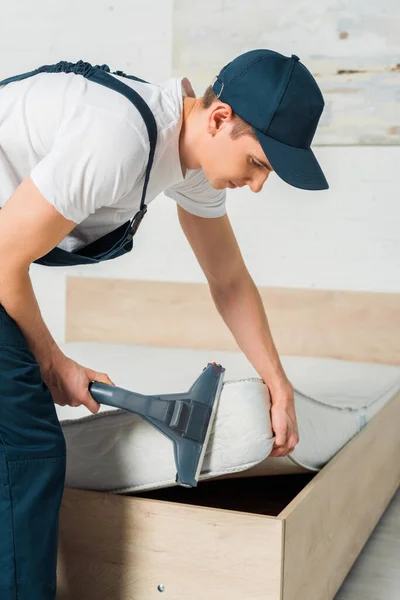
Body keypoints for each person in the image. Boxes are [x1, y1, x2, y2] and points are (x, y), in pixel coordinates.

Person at [0, 48, 328, 599]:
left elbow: (229, 281)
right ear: (219, 119)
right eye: (258, 164)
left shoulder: (188, 160)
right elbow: (4, 258)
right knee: (28, 444)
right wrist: (53, 360)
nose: (257, 186)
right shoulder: (118, 139)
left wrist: (278, 382)